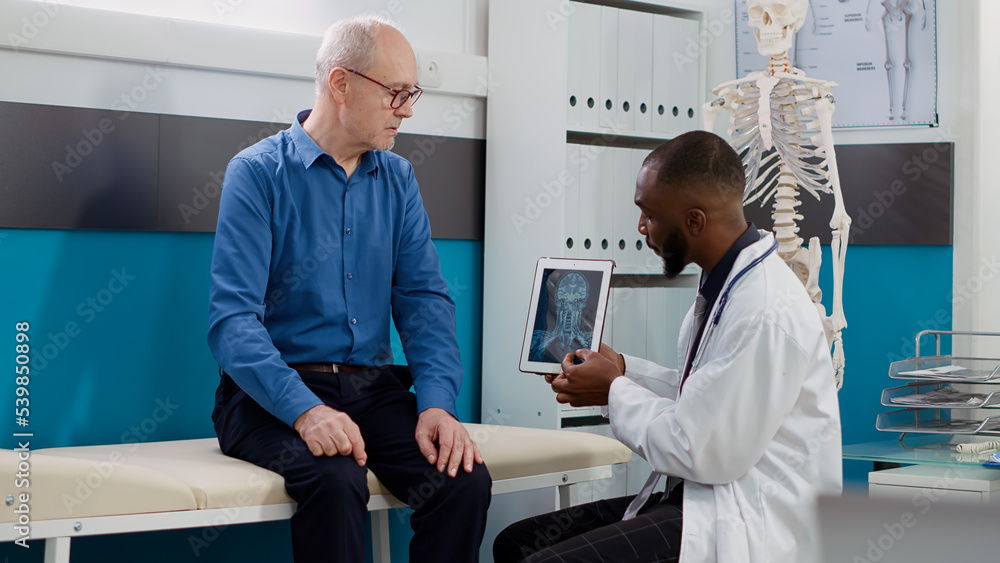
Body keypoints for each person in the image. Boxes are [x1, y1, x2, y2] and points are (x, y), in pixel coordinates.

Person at [207, 15, 490, 563]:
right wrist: (305, 410)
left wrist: (436, 406)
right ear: (341, 84)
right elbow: (232, 323)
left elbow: (424, 302)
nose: (407, 109)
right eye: (396, 93)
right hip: (270, 397)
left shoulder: (399, 179)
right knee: (336, 481)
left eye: (413, 94)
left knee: (462, 481)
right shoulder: (257, 173)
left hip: (372, 391)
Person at [494, 131, 842, 563]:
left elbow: (699, 448)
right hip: (701, 497)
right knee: (515, 543)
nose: (641, 228)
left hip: (748, 519)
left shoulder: (764, 309)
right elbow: (704, 399)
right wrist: (621, 369)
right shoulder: (726, 283)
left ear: (694, 221)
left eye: (649, 214)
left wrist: (612, 389)